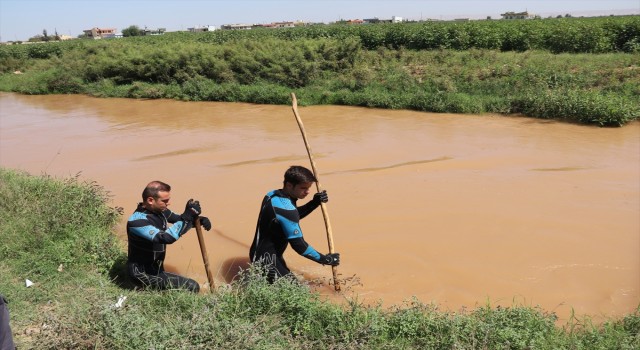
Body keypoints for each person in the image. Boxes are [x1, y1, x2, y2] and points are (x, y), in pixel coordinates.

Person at [250, 165, 340, 283]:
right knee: (296, 294)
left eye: (309, 188)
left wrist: (314, 203)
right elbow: (300, 246)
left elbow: (289, 217)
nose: (307, 192)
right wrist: (326, 259)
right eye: (303, 188)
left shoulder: (271, 195)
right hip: (267, 261)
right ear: (289, 185)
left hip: (259, 254)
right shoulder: (287, 210)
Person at [127, 180, 212, 293]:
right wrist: (187, 216)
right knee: (192, 286)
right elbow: (166, 238)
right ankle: (143, 288)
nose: (168, 203)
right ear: (150, 200)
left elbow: (179, 220)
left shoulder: (160, 211)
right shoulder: (137, 222)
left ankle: (157, 290)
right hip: (141, 274)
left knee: (181, 285)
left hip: (156, 269)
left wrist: (198, 220)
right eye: (165, 201)